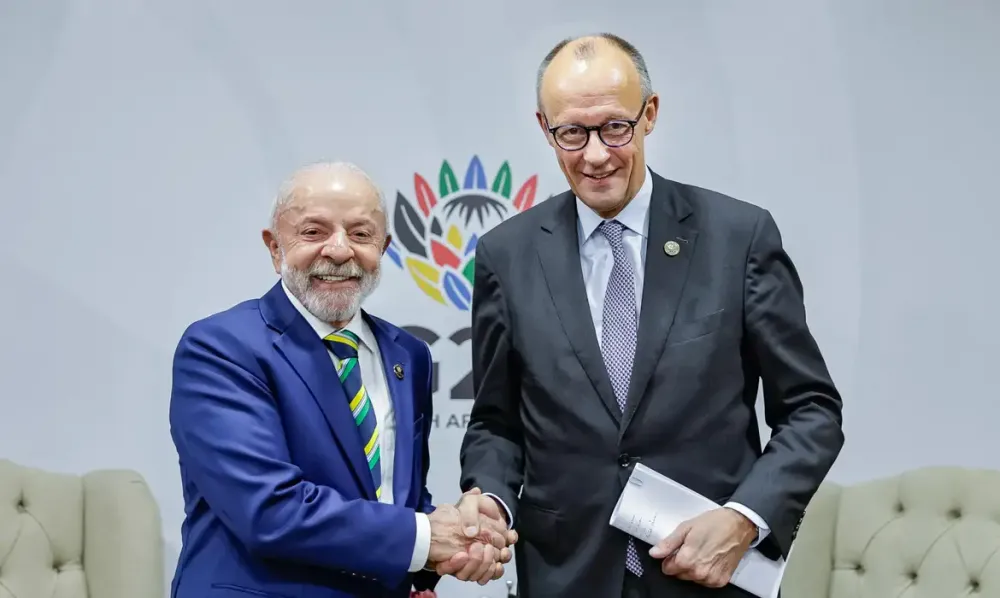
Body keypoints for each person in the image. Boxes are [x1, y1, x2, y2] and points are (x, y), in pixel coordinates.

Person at [458, 34, 845, 597]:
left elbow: (811, 410)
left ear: (651, 114)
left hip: (709, 577)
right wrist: (489, 498)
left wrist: (745, 518)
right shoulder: (506, 255)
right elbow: (496, 423)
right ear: (544, 127)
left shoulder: (738, 237)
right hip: (566, 578)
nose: (595, 155)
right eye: (571, 133)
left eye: (615, 127)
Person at [168, 162, 516, 598]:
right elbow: (269, 511)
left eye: (360, 234)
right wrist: (428, 537)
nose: (338, 251)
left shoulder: (407, 355)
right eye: (313, 232)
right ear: (274, 248)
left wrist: (465, 540)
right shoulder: (221, 348)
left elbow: (394, 500)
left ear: (385, 248)